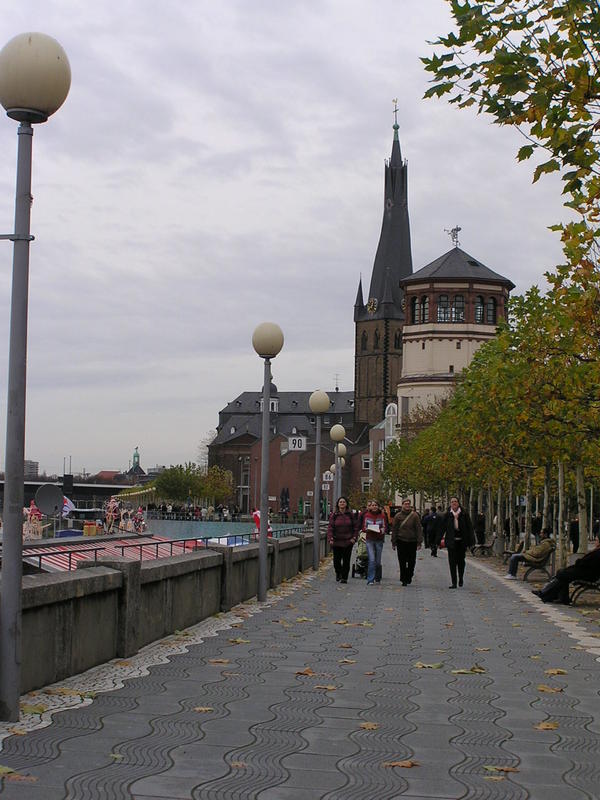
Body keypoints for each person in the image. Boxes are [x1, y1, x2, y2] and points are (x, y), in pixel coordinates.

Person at [532, 534, 600, 604]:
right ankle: (556, 596)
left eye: (597, 540)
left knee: (562, 574)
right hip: (585, 572)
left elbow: (586, 563)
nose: (595, 542)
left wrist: (579, 562)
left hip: (588, 575)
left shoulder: (598, 553)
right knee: (562, 574)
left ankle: (546, 594)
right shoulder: (597, 551)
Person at [444, 496, 475, 588]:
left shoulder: (464, 514)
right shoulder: (448, 514)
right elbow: (442, 527)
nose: (454, 503)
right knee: (452, 562)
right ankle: (454, 582)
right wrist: (437, 540)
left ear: (458, 503)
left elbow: (469, 528)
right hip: (451, 542)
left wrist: (471, 541)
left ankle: (461, 577)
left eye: (455, 501)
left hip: (461, 542)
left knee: (461, 562)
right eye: (452, 501)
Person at [391, 498, 422, 585]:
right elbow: (395, 529)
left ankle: (409, 574)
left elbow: (418, 528)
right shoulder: (398, 516)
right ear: (402, 505)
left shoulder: (415, 516)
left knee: (412, 561)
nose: (407, 505)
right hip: (401, 541)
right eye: (405, 504)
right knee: (402, 561)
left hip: (412, 541)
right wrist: (393, 542)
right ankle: (403, 578)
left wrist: (419, 542)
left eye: (408, 504)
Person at [327, 496, 357, 584]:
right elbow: (330, 527)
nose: (342, 503)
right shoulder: (334, 515)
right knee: (336, 561)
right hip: (337, 541)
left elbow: (355, 527)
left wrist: (354, 538)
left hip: (348, 541)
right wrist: (330, 538)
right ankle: (338, 572)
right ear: (338, 504)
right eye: (340, 502)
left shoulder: (350, 515)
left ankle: (344, 577)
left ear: (346, 504)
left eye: (344, 502)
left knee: (346, 560)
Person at [361, 499, 388, 585]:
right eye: (372, 505)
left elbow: (385, 527)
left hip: (379, 540)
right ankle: (370, 579)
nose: (374, 506)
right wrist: (368, 529)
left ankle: (378, 577)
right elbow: (364, 527)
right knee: (372, 559)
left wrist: (380, 531)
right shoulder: (367, 515)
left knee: (377, 561)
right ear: (370, 507)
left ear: (378, 506)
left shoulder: (382, 516)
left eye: (376, 505)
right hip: (370, 539)